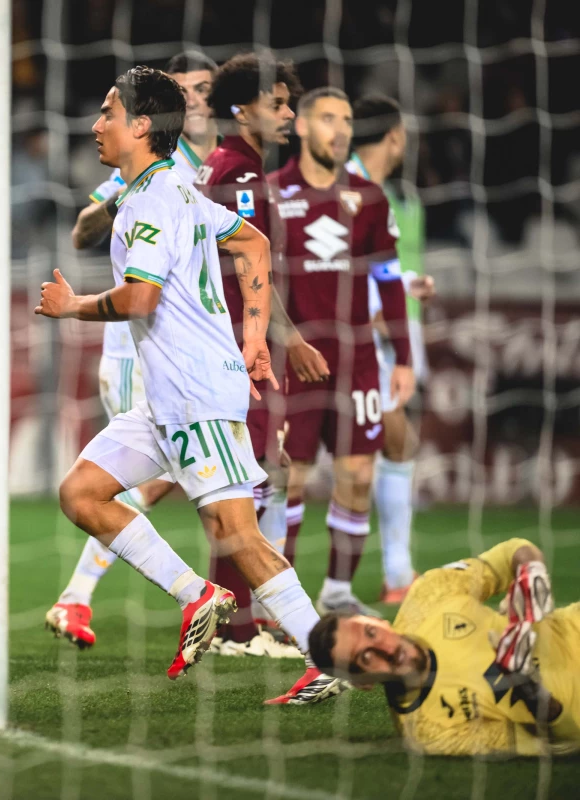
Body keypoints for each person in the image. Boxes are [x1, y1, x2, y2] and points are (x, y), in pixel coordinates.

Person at [37, 65, 343, 704]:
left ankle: (325, 659)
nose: (96, 125)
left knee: (240, 537)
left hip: (195, 396)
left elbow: (140, 298)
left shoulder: (152, 200)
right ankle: (196, 595)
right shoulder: (176, 188)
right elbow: (252, 245)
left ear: (141, 125)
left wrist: (73, 307)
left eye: (108, 112)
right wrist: (254, 338)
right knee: (81, 493)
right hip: (168, 399)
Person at [48, 51, 219, 651]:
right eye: (186, 90)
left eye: (204, 89)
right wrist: (123, 195)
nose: (196, 100)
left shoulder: (223, 166)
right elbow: (81, 231)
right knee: (153, 475)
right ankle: (80, 596)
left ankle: (79, 598)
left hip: (186, 347)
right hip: (134, 348)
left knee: (171, 476)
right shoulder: (142, 166)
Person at [195, 51, 330, 657]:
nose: (289, 113)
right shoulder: (243, 177)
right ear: (241, 109)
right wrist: (289, 338)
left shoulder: (218, 165)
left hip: (221, 343)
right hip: (238, 348)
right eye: (277, 103)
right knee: (246, 481)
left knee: (260, 475)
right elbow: (250, 266)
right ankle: (237, 626)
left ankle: (249, 614)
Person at [268, 87, 413, 616]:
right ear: (302, 127)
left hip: (357, 362)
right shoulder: (271, 193)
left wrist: (404, 357)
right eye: (329, 118)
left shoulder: (369, 197)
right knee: (289, 479)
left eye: (347, 120)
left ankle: (337, 592)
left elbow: (389, 280)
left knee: (358, 474)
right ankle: (279, 602)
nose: (342, 130)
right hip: (293, 360)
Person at [308, 539, 580, 756]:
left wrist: (532, 573)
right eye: (366, 657)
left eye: (372, 633)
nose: (385, 650)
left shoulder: (428, 596)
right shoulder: (429, 732)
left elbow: (514, 551)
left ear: (380, 621)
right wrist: (529, 690)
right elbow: (563, 744)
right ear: (362, 683)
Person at [344, 94, 437, 604]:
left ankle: (396, 575)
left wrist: (404, 285)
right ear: (396, 137)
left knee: (395, 444)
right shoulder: (351, 191)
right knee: (315, 465)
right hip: (344, 341)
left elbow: (374, 268)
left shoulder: (374, 192)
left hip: (371, 340)